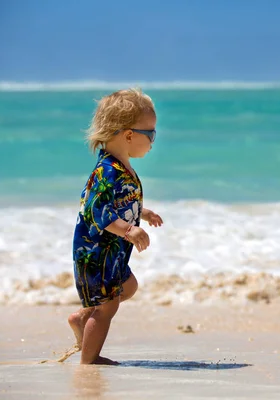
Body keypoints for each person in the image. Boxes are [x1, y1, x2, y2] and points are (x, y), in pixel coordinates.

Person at [68, 88, 163, 365]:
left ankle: (83, 318)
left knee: (128, 286)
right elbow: (97, 211)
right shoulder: (107, 171)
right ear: (129, 135)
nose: (153, 141)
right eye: (151, 134)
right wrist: (128, 230)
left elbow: (118, 202)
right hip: (96, 252)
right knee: (108, 307)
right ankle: (90, 361)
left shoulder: (121, 167)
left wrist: (141, 213)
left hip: (112, 253)